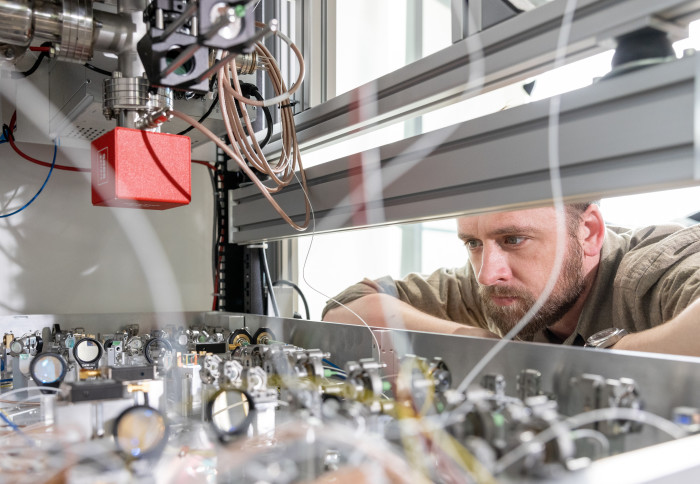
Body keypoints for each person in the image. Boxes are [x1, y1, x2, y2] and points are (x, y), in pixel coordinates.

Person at [322, 202, 700, 356]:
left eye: (514, 239)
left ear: (588, 232)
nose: (488, 273)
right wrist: (480, 341)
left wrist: (593, 361)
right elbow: (346, 307)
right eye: (472, 243)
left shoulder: (651, 268)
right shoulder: (494, 287)